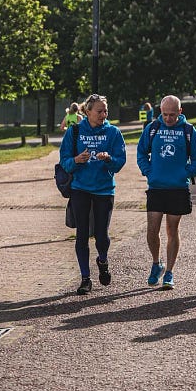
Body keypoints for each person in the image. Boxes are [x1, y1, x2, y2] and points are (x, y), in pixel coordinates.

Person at [58, 93, 127, 295]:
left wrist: (109, 159)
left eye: (106, 111)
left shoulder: (113, 132)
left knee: (101, 236)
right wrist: (76, 160)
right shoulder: (75, 131)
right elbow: (64, 161)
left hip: (104, 190)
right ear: (87, 112)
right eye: (99, 111)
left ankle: (102, 261)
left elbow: (120, 161)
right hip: (80, 189)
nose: (103, 115)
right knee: (81, 235)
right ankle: (85, 278)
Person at [137, 95, 196, 290]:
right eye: (165, 114)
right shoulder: (152, 129)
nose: (168, 118)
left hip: (178, 188)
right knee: (152, 229)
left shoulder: (188, 131)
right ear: (160, 112)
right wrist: (149, 171)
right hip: (156, 187)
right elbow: (141, 153)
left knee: (172, 230)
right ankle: (156, 263)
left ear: (180, 112)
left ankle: (169, 272)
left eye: (172, 115)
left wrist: (185, 173)